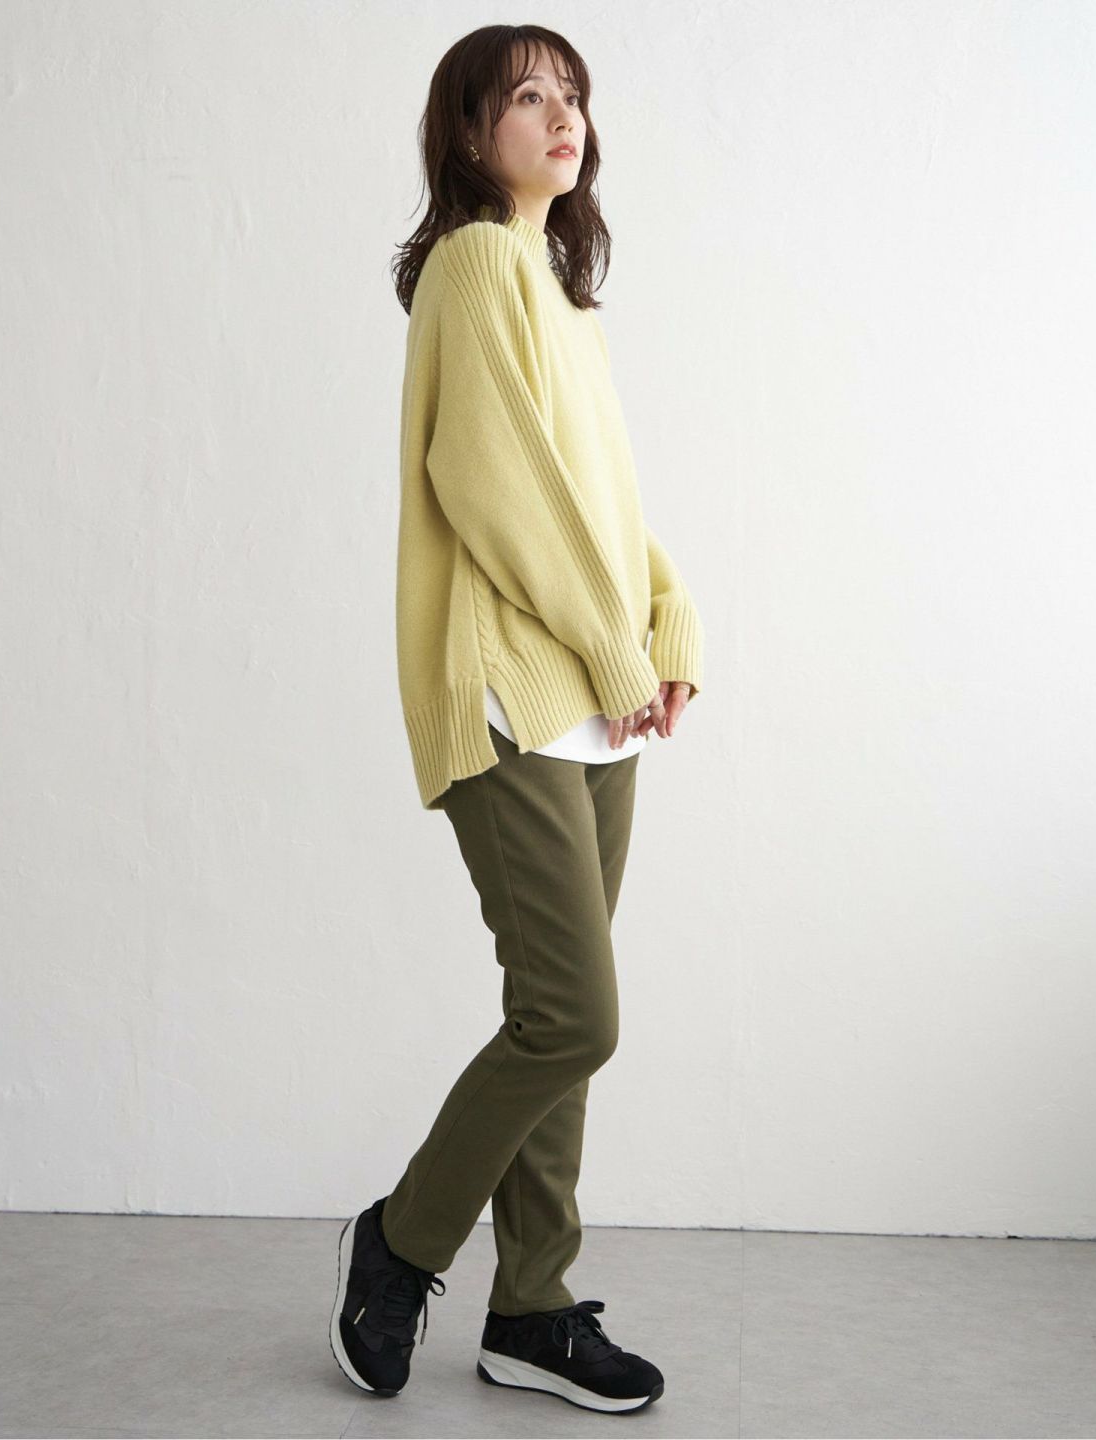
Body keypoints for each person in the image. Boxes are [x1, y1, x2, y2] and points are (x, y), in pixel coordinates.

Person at [329, 23, 703, 1416]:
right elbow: (495, 485)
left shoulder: (557, 295)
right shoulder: (479, 262)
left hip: (593, 703)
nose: (560, 114)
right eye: (526, 95)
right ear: (468, 134)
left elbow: (607, 501)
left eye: (572, 94)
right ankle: (401, 1241)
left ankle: (533, 1308)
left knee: (555, 1016)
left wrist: (666, 627)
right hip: (509, 689)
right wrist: (611, 643)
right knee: (574, 1016)